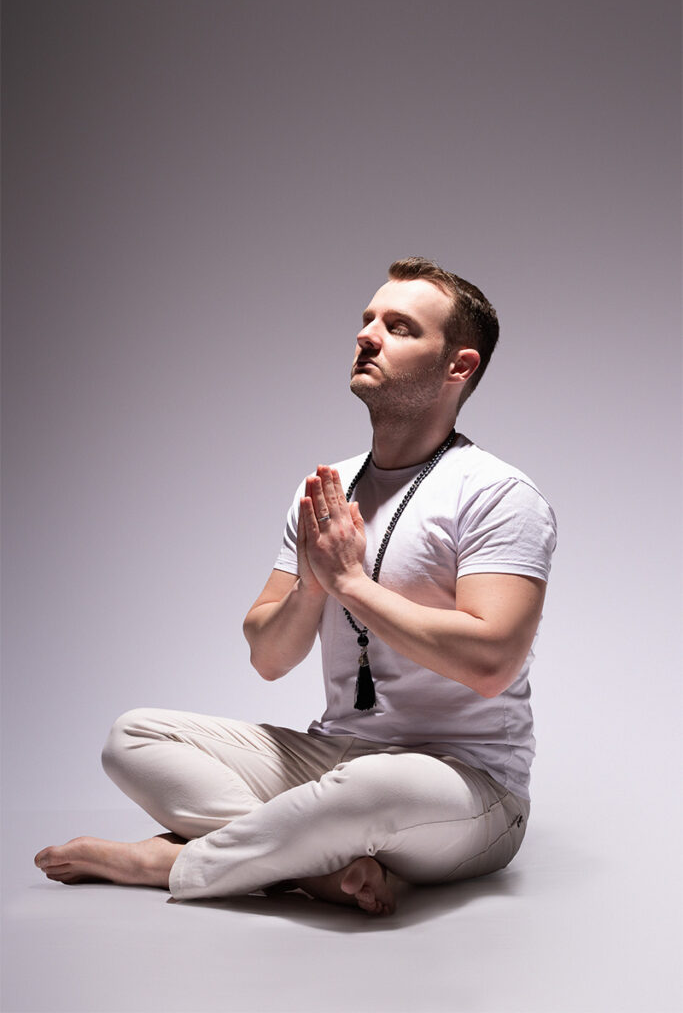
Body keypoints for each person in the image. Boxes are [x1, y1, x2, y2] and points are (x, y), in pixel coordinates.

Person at [35, 257, 556, 917]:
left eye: (399, 327)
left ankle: (165, 860)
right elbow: (269, 657)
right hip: (335, 755)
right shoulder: (327, 490)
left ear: (458, 366)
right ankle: (318, 870)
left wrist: (352, 585)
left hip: (467, 785)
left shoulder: (497, 494)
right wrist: (313, 586)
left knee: (368, 789)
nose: (368, 335)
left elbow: (490, 661)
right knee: (133, 737)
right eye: (367, 320)